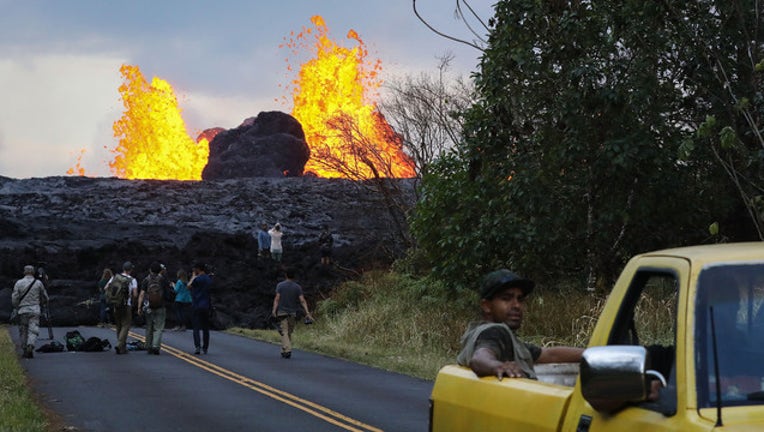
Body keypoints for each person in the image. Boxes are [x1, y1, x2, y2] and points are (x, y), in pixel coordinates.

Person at [457, 269, 583, 379]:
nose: (517, 305)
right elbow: (480, 358)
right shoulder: (495, 332)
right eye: (506, 298)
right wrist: (498, 366)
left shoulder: (488, 335)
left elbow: (551, 355)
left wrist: (594, 353)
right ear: (487, 306)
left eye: (520, 299)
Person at [271, 267, 314, 359]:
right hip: (292, 313)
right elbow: (302, 300)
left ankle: (286, 349)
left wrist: (274, 310)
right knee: (287, 331)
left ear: (286, 275)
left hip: (282, 312)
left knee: (285, 332)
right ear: (294, 276)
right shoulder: (297, 287)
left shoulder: (280, 285)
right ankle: (286, 350)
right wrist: (307, 312)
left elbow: (277, 299)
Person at [11, 265, 49, 359]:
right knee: (33, 329)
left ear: (24, 272)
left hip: (23, 310)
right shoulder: (38, 283)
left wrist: (16, 307)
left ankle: (24, 349)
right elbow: (45, 297)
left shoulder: (19, 283)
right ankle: (30, 345)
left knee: (23, 330)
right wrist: (43, 304)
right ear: (33, 272)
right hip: (35, 310)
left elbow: (14, 298)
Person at [137, 261, 172, 355]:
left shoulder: (146, 280)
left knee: (149, 326)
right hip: (161, 306)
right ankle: (155, 346)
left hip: (149, 306)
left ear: (150, 270)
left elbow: (141, 294)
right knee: (158, 327)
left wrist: (139, 307)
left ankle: (148, 346)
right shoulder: (163, 280)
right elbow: (167, 293)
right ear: (160, 270)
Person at [105, 261, 138, 355]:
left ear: (123, 269)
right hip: (126, 305)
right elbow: (135, 294)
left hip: (116, 304)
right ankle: (120, 345)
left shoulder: (115, 277)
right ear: (130, 270)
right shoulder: (132, 280)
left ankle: (122, 348)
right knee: (126, 325)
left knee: (119, 325)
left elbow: (106, 288)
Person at [187, 262, 212, 355]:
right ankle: (205, 347)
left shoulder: (197, 279)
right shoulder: (208, 279)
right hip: (205, 305)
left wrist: (193, 276)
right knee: (205, 328)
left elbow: (188, 286)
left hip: (196, 305)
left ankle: (197, 346)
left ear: (198, 269)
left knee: (196, 327)